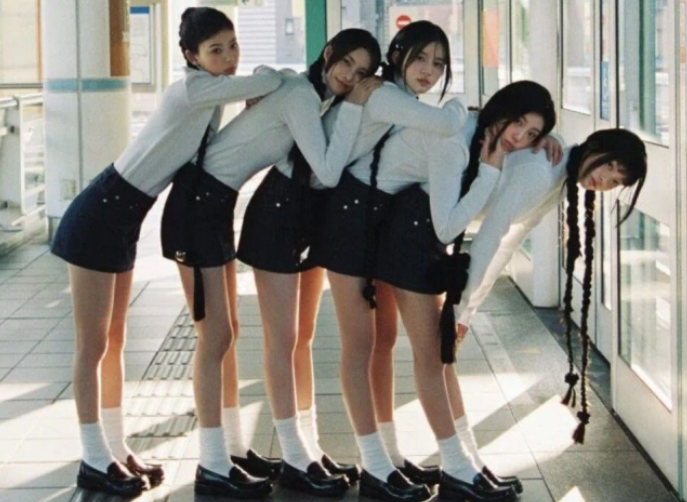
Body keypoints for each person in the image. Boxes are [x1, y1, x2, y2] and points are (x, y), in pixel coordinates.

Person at [50, 7, 283, 498]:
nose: (229, 58)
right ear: (191, 56)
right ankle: (93, 458)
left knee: (114, 341)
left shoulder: (210, 94)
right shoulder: (191, 90)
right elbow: (271, 82)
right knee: (92, 345)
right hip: (99, 215)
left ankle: (115, 448)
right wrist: (262, 83)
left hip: (124, 219)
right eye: (216, 50)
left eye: (233, 46)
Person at [182, 28, 380, 497]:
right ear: (328, 54)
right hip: (274, 215)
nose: (350, 77)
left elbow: (273, 79)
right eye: (346, 63)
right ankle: (292, 454)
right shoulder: (304, 95)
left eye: (361, 74)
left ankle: (306, 447)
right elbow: (326, 169)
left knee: (303, 339)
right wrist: (355, 105)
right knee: (281, 340)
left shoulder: (314, 94)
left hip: (307, 215)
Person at [363, 80, 557, 502]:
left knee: (440, 356)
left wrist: (547, 139)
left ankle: (466, 461)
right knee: (432, 355)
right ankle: (456, 468)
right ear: (501, 109)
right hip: (406, 231)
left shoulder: (491, 138)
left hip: (416, 232)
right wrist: (490, 170)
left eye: (531, 134)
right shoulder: (457, 139)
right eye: (519, 123)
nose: (520, 137)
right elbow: (448, 226)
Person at [312, 20, 477, 502]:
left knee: (382, 341)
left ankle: (388, 454)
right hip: (349, 216)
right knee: (360, 344)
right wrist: (461, 103)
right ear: (399, 53)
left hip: (376, 220)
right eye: (421, 58)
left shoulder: (404, 102)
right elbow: (447, 125)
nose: (429, 70)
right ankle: (374, 464)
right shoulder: (385, 95)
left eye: (439, 63)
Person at [454, 128, 646, 446]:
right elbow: (489, 238)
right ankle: (453, 459)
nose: (605, 179)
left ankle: (452, 457)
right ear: (594, 146)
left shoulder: (558, 179)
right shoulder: (541, 173)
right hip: (414, 208)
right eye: (610, 165)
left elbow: (506, 245)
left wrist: (466, 314)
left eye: (615, 181)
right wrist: (458, 310)